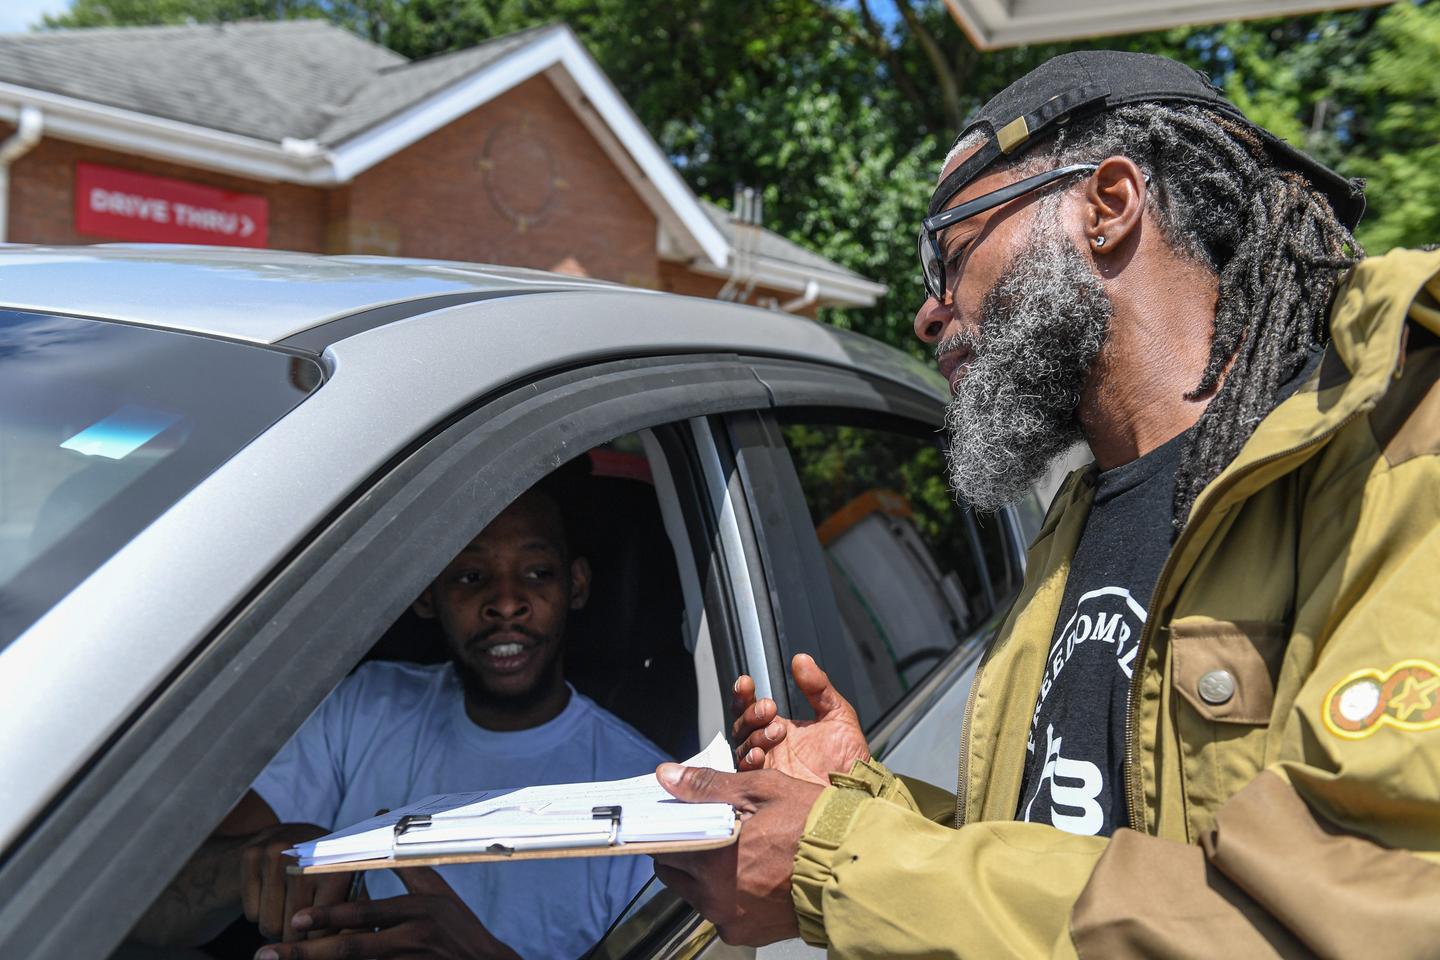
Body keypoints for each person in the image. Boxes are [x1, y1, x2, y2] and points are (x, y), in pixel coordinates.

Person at [650, 51, 1440, 957]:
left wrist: (838, 860)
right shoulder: (1080, 516)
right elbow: (1082, 852)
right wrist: (865, 804)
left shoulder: (1395, 457)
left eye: (948, 249)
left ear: (1106, 207)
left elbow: (1345, 918)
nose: (927, 310)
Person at [131, 478, 667, 959]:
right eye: (471, 575)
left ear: (575, 585)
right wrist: (252, 863)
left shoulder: (646, 794)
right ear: (426, 596)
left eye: (536, 572)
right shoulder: (362, 707)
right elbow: (149, 914)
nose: (506, 602)